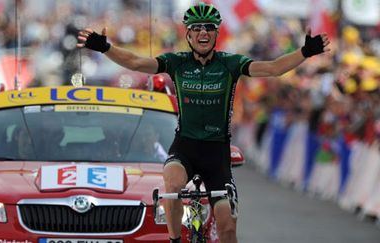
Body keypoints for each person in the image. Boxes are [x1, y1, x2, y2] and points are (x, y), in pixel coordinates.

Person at [77, 2, 330, 242]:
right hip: (185, 147)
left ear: (216, 33)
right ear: (188, 35)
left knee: (227, 227)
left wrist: (305, 52)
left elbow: (273, 68)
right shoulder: (176, 62)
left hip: (216, 154)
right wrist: (105, 47)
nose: (203, 32)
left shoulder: (230, 63)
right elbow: (135, 62)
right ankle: (175, 239)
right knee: (173, 183)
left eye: (209, 28)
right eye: (196, 28)